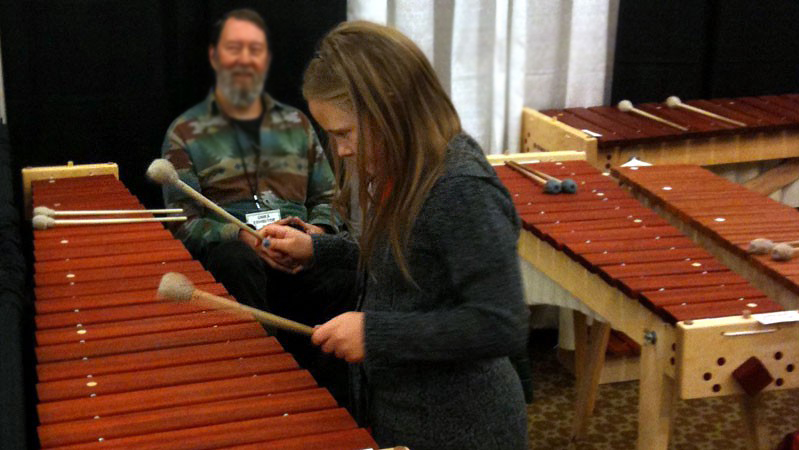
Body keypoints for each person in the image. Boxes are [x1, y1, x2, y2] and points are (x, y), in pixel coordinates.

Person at [260, 21, 530, 450]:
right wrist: (319, 249)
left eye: (343, 133)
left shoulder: (458, 187)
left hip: (460, 428)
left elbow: (502, 323)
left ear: (388, 109)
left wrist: (373, 335)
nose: (341, 149)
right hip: (402, 414)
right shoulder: (405, 168)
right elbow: (407, 260)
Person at [160, 8, 354, 403]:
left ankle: (333, 405)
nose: (245, 59)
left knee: (347, 269)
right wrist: (239, 235)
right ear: (215, 57)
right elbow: (183, 225)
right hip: (239, 260)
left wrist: (317, 236)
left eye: (255, 49)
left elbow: (329, 199)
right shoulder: (183, 133)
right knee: (234, 259)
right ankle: (265, 388)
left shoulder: (299, 124)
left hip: (298, 251)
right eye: (235, 49)